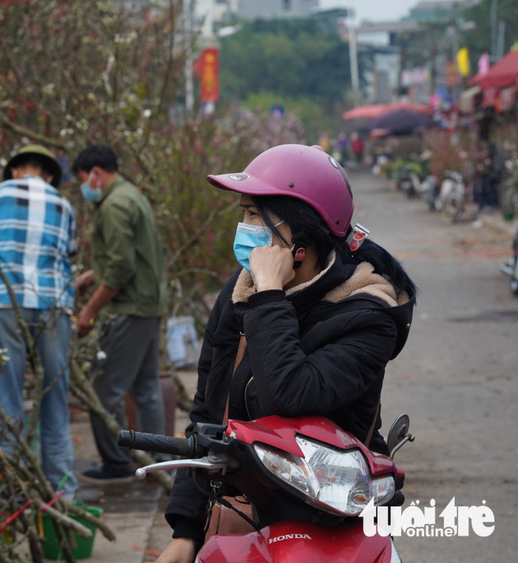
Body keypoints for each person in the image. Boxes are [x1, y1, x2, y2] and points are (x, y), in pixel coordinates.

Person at [158, 144, 416, 562]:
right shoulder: (240, 293)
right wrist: (184, 530)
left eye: (256, 216)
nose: (244, 228)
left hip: (339, 517)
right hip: (246, 514)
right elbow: (209, 413)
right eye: (243, 213)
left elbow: (290, 395)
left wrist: (270, 296)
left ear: (302, 234)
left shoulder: (369, 313)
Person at [0, 144, 78, 499]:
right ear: (47, 174)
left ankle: (10, 498)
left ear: (15, 170)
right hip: (53, 305)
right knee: (55, 400)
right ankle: (64, 497)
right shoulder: (65, 205)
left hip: (2, 302)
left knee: (5, 398)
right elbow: (68, 256)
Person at [71, 144, 167, 483]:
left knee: (104, 392)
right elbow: (129, 255)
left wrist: (89, 310)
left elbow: (122, 267)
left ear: (95, 174)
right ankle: (159, 462)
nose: (85, 189)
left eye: (83, 180)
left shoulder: (113, 205)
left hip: (129, 308)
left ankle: (117, 464)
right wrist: (92, 274)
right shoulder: (131, 195)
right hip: (149, 304)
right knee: (146, 388)